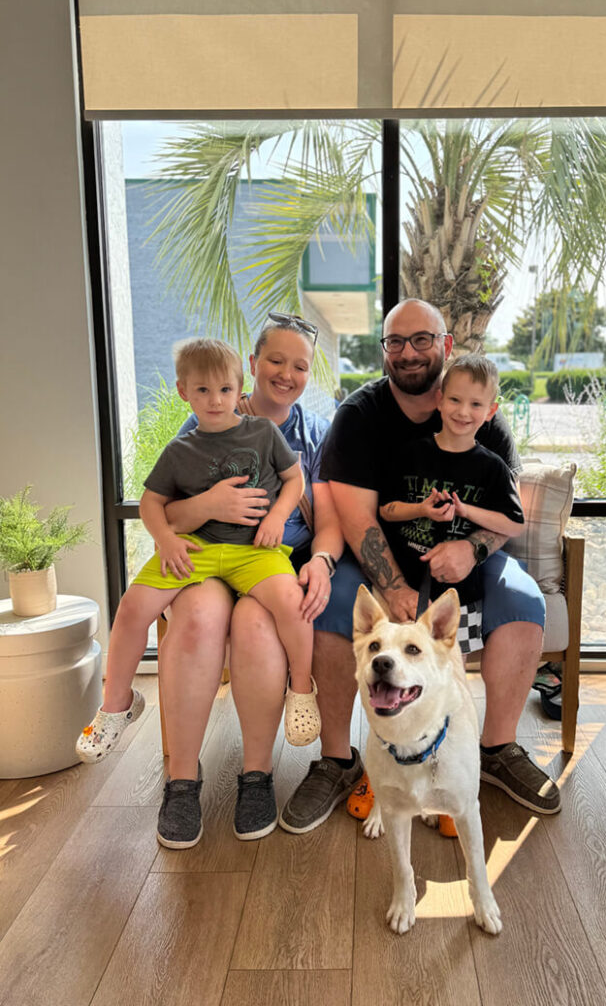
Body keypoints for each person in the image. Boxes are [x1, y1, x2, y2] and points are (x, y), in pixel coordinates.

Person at [281, 298, 559, 831]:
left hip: (464, 560)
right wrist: (394, 588)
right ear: (384, 350)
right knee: (333, 603)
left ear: (446, 345)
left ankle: (497, 750)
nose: (408, 353)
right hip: (377, 562)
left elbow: (506, 514)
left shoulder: (474, 404)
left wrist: (471, 549)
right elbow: (358, 517)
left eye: (422, 340)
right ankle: (338, 759)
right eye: (396, 342)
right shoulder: (359, 416)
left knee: (523, 601)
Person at [76, 337, 321, 780]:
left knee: (291, 601)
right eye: (203, 391)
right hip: (198, 552)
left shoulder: (263, 433)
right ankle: (117, 705)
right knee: (132, 607)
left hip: (255, 552)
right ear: (183, 391)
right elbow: (152, 504)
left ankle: (301, 689)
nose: (215, 400)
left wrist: (278, 517)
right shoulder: (180, 449)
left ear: (238, 388)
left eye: (225, 390)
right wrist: (167, 539)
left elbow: (294, 480)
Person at [150, 314, 351, 848]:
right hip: (209, 559)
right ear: (254, 364)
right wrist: (212, 503)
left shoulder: (314, 434)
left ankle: (256, 776)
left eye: (300, 366)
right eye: (276, 361)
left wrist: (322, 562)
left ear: (310, 374)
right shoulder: (206, 421)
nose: (286, 374)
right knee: (196, 621)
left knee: (258, 629)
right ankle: (182, 781)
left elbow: (329, 521)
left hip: (275, 563)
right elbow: (164, 518)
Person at [379, 353, 525, 622]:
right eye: (455, 400)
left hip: (461, 596)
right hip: (407, 588)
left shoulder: (493, 468)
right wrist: (421, 509)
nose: (463, 412)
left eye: (476, 404)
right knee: (404, 662)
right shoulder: (409, 455)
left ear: (491, 411)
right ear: (440, 400)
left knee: (454, 663)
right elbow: (386, 510)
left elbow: (515, 524)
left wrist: (465, 510)